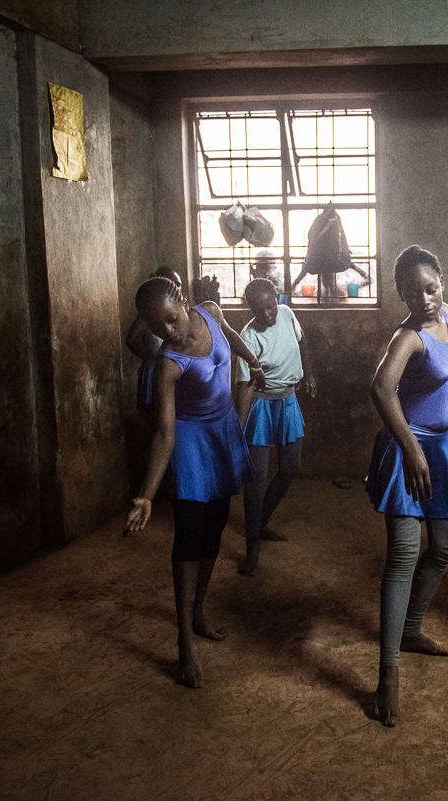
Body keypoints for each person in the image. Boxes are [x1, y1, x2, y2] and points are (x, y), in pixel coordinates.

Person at [366, 245, 448, 727]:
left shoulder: (444, 313)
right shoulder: (408, 337)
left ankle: (411, 628)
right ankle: (388, 675)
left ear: (442, 284)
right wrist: (412, 450)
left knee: (446, 543)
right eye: (413, 293)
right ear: (400, 295)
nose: (424, 300)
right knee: (403, 555)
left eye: (431, 288)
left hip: (440, 448)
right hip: (409, 447)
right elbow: (381, 389)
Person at [124, 276, 267, 689]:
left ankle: (199, 610)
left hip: (222, 431)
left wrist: (253, 362)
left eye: (170, 320)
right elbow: (165, 434)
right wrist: (146, 496)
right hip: (189, 443)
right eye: (157, 328)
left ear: (184, 303)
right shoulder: (167, 364)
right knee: (188, 536)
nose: (168, 332)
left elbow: (232, 338)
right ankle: (184, 639)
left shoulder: (210, 312)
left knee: (215, 528)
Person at [233, 278, 316, 577]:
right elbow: (244, 386)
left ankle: (260, 521)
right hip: (260, 405)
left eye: (271, 306)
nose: (268, 314)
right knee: (257, 476)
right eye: (259, 310)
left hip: (288, 400)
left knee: (291, 467)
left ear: (277, 299)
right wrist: (238, 430)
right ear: (249, 308)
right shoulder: (248, 336)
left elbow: (302, 340)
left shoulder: (288, 313)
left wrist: (308, 374)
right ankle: (252, 543)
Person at [125, 267, 183, 424]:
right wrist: (152, 358)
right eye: (172, 284)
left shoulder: (177, 311)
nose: (176, 288)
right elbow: (132, 339)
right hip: (155, 369)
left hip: (169, 367)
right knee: (155, 417)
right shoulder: (152, 313)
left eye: (179, 285)